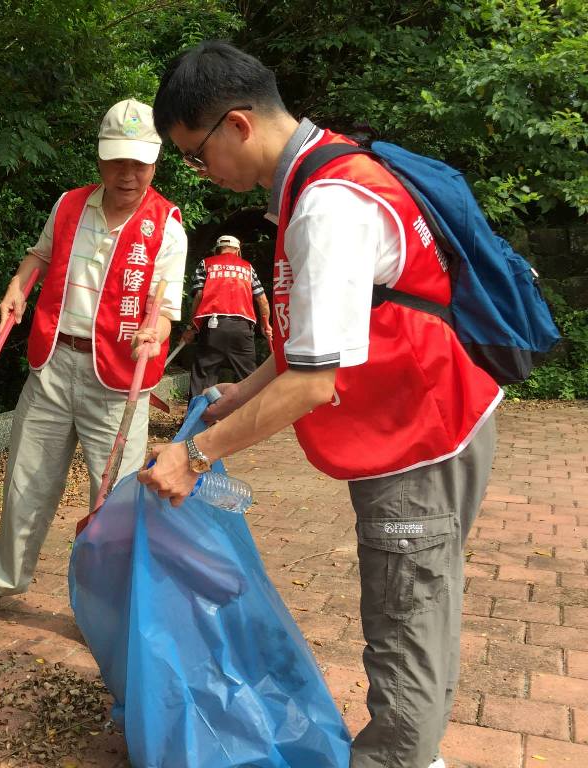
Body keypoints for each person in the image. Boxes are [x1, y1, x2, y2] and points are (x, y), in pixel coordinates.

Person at [140, 42, 501, 768]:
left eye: (195, 153)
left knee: (404, 627)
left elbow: (314, 384)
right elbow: (321, 337)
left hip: (419, 438)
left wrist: (194, 455)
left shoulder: (328, 205)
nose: (201, 173)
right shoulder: (329, 171)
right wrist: (242, 392)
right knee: (417, 612)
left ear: (237, 125)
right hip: (427, 421)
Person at [0, 98, 188, 612]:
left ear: (155, 161)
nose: (129, 175)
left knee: (114, 497)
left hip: (119, 377)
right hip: (53, 363)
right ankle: (4, 580)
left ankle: (107, 606)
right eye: (118, 161)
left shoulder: (167, 225)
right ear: (100, 159)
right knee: (25, 478)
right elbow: (39, 256)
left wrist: (156, 330)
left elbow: (165, 306)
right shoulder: (67, 205)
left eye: (140, 162)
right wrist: (19, 285)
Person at [180, 233, 272, 396]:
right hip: (242, 328)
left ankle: (198, 419)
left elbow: (200, 296)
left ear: (217, 250)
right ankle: (253, 418)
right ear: (237, 251)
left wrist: (192, 327)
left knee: (203, 376)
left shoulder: (206, 264)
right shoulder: (247, 267)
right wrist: (266, 325)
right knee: (249, 378)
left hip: (213, 327)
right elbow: (263, 301)